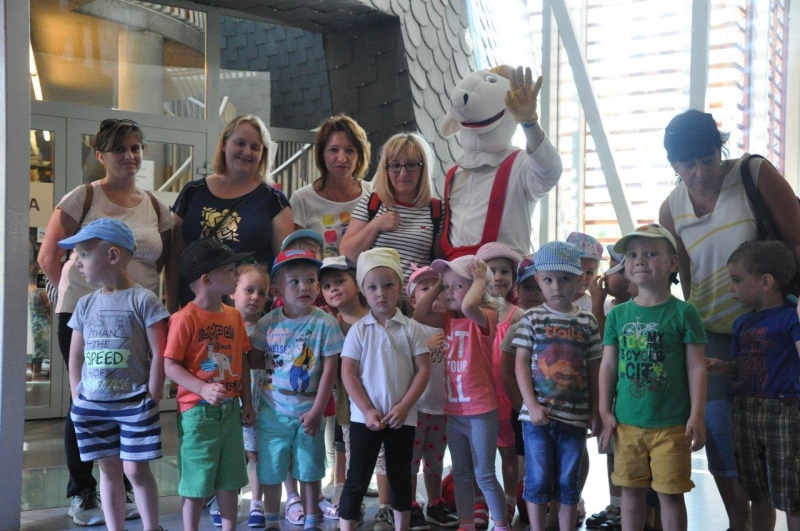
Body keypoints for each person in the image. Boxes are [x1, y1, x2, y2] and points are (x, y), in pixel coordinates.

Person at [659, 109, 800, 531]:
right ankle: (739, 521)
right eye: (689, 165)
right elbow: (683, 272)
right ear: (672, 164)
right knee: (719, 429)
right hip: (712, 332)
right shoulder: (671, 208)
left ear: (720, 149)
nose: (701, 173)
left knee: (778, 430)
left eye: (709, 160)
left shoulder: (754, 174)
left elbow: (797, 240)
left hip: (773, 326)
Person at [37, 118, 173, 526]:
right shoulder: (83, 196)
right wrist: (71, 294)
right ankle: (83, 492)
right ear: (101, 155)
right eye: (119, 149)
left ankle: (128, 487)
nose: (129, 155)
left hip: (137, 314)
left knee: (130, 397)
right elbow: (48, 255)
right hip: (86, 314)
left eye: (135, 147)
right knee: (87, 399)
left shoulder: (154, 204)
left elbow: (165, 259)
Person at [60, 218, 170, 531]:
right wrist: (77, 393)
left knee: (135, 470)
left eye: (84, 254)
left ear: (112, 255)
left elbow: (159, 351)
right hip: (92, 404)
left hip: (134, 402)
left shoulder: (143, 300)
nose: (78, 262)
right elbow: (76, 354)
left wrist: (154, 393)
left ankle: (152, 527)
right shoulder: (85, 304)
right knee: (108, 469)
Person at [599, 223, 708, 531]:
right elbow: (608, 365)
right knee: (631, 494)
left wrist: (697, 415)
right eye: (632, 255)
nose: (639, 261)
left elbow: (697, 367)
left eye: (650, 253)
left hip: (672, 426)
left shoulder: (685, 313)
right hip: (626, 424)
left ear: (672, 263)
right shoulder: (617, 315)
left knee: (670, 495)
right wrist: (605, 411)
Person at [248, 249, 344, 531]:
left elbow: (330, 371)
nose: (305, 287)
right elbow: (253, 359)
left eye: (311, 280)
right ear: (277, 290)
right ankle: (271, 522)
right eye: (295, 282)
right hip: (273, 411)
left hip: (309, 412)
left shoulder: (326, 324)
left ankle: (311, 520)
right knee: (270, 470)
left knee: (310, 469)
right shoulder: (268, 323)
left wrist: (317, 411)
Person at [707, 241, 800, 531]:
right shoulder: (742, 323)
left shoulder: (791, 317)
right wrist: (723, 366)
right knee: (757, 491)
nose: (731, 288)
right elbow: (744, 364)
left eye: (737, 280)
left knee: (793, 493)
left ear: (766, 282)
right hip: (746, 411)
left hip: (783, 412)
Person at [163, 238, 255, 531]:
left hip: (230, 411)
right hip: (198, 413)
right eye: (229, 270)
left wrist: (247, 402)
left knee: (230, 479)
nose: (237, 275)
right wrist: (201, 388)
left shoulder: (234, 316)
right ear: (206, 280)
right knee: (196, 481)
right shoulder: (184, 318)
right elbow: (170, 365)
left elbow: (242, 361)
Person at [413, 255, 510, 531]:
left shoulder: (485, 316)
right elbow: (419, 314)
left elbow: (469, 305)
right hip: (454, 412)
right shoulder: (447, 319)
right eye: (447, 287)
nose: (449, 292)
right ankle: (466, 524)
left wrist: (479, 279)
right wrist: (438, 285)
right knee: (462, 474)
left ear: (478, 287)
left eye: (457, 286)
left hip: (480, 412)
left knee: (484, 474)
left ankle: (502, 525)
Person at [337, 248, 431, 531]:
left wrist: (404, 406)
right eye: (373, 287)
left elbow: (423, 370)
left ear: (400, 287)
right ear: (362, 290)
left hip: (401, 418)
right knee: (357, 477)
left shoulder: (412, 328)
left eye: (388, 285)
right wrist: (367, 409)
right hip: (364, 419)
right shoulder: (359, 330)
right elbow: (348, 373)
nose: (381, 293)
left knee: (401, 476)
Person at [511, 241, 602, 531]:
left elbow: (594, 368)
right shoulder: (532, 317)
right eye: (548, 280)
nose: (557, 287)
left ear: (579, 280)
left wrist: (596, 410)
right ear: (538, 280)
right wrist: (531, 405)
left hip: (574, 418)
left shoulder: (587, 321)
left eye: (564, 279)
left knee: (568, 481)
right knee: (537, 479)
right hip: (537, 418)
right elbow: (520, 363)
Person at [167, 114, 293, 312]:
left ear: (263, 154)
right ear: (225, 144)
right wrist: (171, 311)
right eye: (240, 143)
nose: (247, 152)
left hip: (250, 317)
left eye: (255, 147)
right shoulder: (192, 192)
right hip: (194, 314)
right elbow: (174, 258)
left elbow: (284, 267)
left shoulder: (274, 200)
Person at [340, 132, 442, 291]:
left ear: (423, 168)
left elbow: (441, 265)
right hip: (376, 301)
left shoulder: (436, 210)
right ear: (385, 169)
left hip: (420, 302)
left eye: (411, 165)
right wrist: (375, 225)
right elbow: (348, 254)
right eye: (395, 165)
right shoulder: (371, 203)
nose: (403, 173)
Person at [405, 265, 459, 530]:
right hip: (417, 408)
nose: (435, 294)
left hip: (443, 408)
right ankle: (411, 505)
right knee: (411, 462)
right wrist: (423, 349)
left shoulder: (452, 323)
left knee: (435, 460)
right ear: (413, 300)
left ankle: (435, 503)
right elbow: (402, 363)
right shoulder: (413, 327)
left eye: (439, 288)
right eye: (425, 289)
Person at [476, 242, 524, 525]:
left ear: (514, 278)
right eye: (491, 271)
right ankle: (479, 501)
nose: (498, 277)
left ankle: (508, 499)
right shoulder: (471, 311)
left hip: (506, 397)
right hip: (478, 396)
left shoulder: (517, 315)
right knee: (478, 456)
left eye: (505, 271)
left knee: (508, 452)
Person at [318, 255, 369, 521]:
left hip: (381, 400)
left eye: (340, 281)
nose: (333, 289)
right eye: (327, 286)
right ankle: (346, 495)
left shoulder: (375, 317)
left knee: (380, 457)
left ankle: (386, 503)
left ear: (358, 283)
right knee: (346, 448)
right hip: (348, 403)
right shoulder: (330, 325)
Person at [290, 114, 372, 258]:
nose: (342, 158)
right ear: (322, 154)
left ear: (360, 155)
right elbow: (295, 256)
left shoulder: (372, 193)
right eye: (334, 150)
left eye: (350, 150)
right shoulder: (302, 199)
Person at [230, 263, 272, 528]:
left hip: (259, 402)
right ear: (232, 292)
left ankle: (256, 502)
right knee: (230, 453)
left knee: (255, 454)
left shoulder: (268, 327)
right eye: (249, 290)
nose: (255, 297)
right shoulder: (225, 324)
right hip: (228, 399)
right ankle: (226, 500)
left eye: (261, 292)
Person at [566, 232, 603, 313]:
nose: (583, 277)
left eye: (589, 272)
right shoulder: (551, 299)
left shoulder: (592, 305)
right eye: (577, 270)